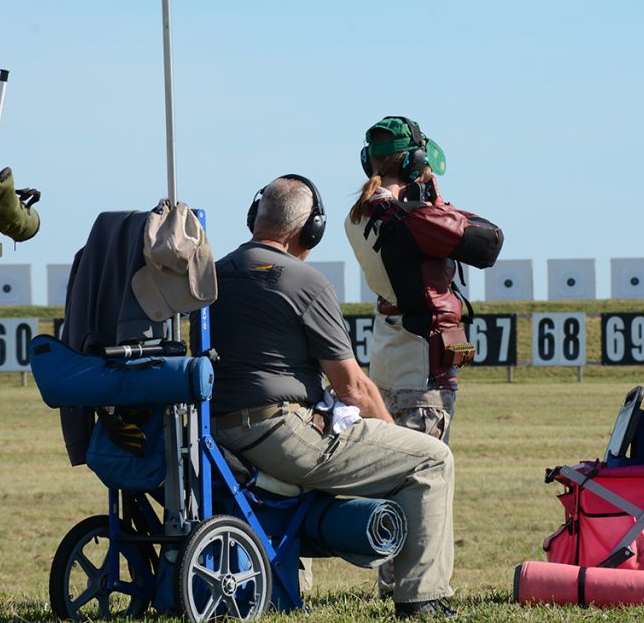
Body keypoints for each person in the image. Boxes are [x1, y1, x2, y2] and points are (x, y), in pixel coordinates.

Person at [191, 174, 457, 619]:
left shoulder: (214, 276)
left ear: (256, 216)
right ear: (310, 230)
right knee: (431, 459)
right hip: (281, 435)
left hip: (220, 433)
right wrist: (390, 436)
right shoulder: (306, 282)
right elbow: (351, 386)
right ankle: (421, 597)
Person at [345, 116, 502, 598]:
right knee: (425, 479)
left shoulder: (360, 213)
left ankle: (393, 577)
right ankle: (416, 585)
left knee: (396, 475)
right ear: (416, 163)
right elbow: (488, 240)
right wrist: (432, 200)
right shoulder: (412, 219)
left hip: (390, 354)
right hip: (421, 365)